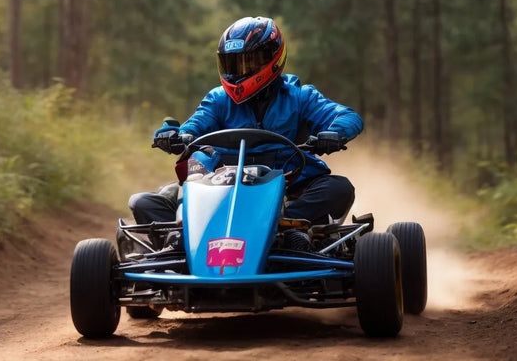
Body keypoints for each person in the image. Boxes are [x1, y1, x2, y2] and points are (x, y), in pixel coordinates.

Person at [129, 16, 363, 228]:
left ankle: (287, 229)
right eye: (232, 64)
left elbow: (347, 117)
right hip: (221, 188)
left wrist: (334, 134)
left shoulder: (300, 96)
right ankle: (184, 241)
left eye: (248, 63)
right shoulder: (218, 99)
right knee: (143, 202)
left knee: (338, 188)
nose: (238, 71)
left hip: (288, 185)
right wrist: (176, 137)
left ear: (274, 58)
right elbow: (193, 127)